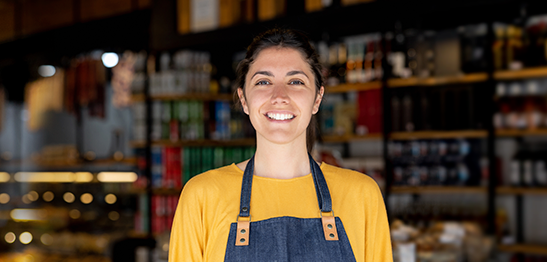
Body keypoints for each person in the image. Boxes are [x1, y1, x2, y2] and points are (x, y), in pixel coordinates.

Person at [168, 28, 392, 261]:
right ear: (244, 99)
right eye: (263, 81)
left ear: (317, 98)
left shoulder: (362, 195)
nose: (279, 96)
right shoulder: (202, 196)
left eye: (295, 81)